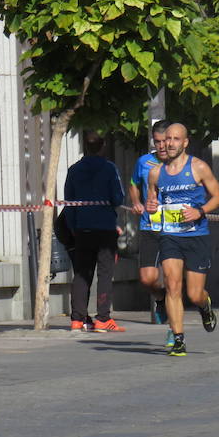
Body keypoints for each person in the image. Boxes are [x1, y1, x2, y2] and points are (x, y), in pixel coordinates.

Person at [146, 123, 219, 357]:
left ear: (185, 142)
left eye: (175, 139)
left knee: (194, 293)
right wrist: (151, 206)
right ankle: (178, 338)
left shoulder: (198, 167)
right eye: (167, 138)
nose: (169, 143)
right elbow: (152, 203)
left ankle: (205, 305)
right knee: (172, 285)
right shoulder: (155, 173)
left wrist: (200, 211)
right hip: (170, 235)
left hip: (196, 235)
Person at [64, 131, 126, 332]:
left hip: (82, 228)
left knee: (81, 273)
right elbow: (118, 198)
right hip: (105, 228)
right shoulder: (109, 169)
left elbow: (69, 202)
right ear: (103, 146)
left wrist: (74, 227)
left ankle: (77, 318)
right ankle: (103, 318)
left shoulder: (74, 170)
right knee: (105, 273)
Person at [129, 119, 172, 346]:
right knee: (147, 278)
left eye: (165, 141)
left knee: (174, 280)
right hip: (150, 226)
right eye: (157, 142)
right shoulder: (144, 162)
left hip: (176, 229)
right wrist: (136, 202)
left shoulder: (181, 164)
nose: (162, 146)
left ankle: (176, 333)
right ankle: (161, 299)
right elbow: (133, 183)